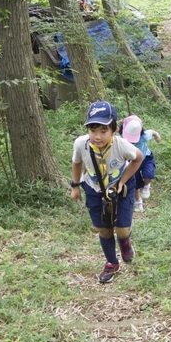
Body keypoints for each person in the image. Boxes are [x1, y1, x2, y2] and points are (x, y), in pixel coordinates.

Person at [70, 101, 144, 283]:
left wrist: (123, 181)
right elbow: (77, 162)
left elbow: (138, 159)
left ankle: (125, 242)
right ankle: (112, 262)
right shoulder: (81, 144)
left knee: (122, 230)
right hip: (94, 189)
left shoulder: (121, 145)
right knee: (103, 229)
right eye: (93, 130)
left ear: (114, 130)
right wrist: (75, 185)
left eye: (103, 131)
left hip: (122, 188)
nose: (97, 136)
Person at [120, 115, 161, 213]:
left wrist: (157, 136)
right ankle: (138, 203)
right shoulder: (120, 138)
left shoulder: (144, 135)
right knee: (135, 184)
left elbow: (153, 132)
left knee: (148, 174)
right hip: (132, 162)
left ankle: (146, 185)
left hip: (146, 158)